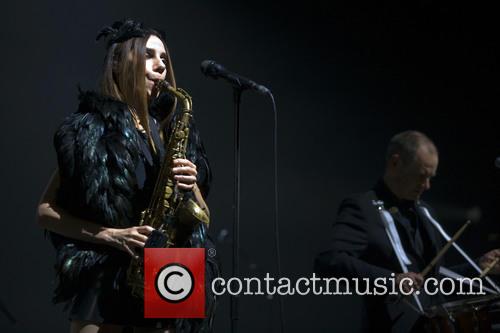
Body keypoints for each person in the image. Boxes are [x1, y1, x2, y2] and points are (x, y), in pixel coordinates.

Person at [37, 19, 217, 333]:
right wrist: (107, 234)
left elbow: (202, 217)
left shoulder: (172, 132)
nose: (161, 64)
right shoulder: (90, 131)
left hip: (166, 270)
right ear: (120, 62)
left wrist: (191, 187)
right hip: (108, 274)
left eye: (164, 58)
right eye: (149, 54)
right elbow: (45, 211)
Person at [314, 130, 500, 332]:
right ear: (395, 163)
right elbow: (329, 261)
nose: (427, 185)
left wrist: (478, 267)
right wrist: (391, 280)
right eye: (421, 176)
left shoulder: (425, 211)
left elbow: (432, 283)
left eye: (431, 177)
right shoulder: (363, 207)